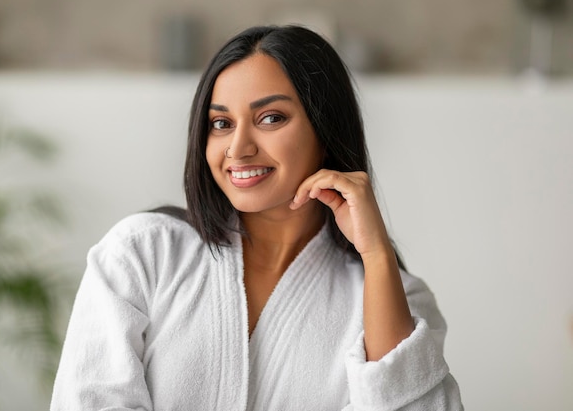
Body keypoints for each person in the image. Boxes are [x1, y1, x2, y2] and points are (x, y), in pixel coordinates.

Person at [51, 25, 463, 410]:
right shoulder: (141, 254)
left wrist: (375, 255)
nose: (238, 147)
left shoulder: (400, 299)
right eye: (221, 123)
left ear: (326, 129)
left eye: (271, 118)